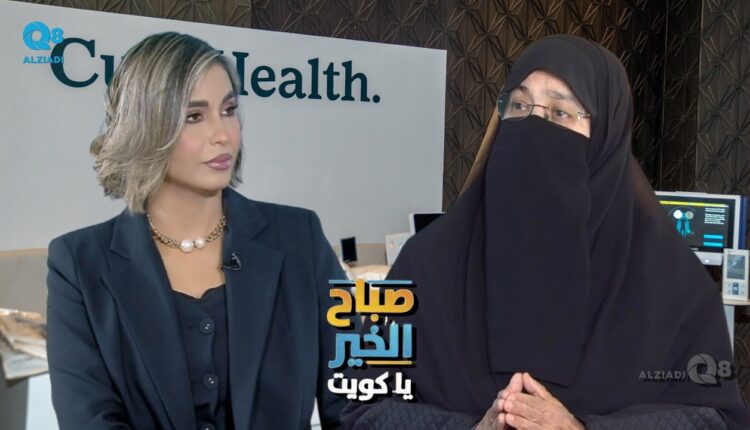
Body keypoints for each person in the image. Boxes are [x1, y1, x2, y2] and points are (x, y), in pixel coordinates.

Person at [341, 35, 750, 429]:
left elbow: (715, 420)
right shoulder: (425, 261)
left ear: (606, 135)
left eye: (559, 112)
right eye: (519, 106)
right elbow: (359, 408)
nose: (533, 126)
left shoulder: (674, 286)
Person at [46, 32, 347, 429]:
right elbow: (89, 419)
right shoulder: (79, 264)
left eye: (229, 110)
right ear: (146, 128)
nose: (223, 134)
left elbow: (358, 398)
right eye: (194, 116)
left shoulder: (299, 237)